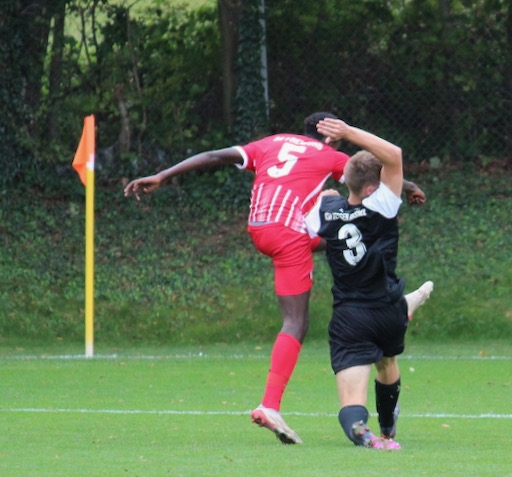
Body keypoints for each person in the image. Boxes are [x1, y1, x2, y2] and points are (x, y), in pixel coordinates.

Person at [123, 113, 425, 445]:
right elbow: (371, 174)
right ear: (330, 137)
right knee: (297, 320)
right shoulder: (330, 155)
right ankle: (270, 405)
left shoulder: (270, 143)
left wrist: (163, 175)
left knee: (341, 237)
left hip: (260, 227)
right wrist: (409, 187)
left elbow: (212, 156)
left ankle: (395, 303)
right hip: (290, 232)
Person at [305, 117, 432, 450]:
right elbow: (394, 155)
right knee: (387, 360)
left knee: (351, 405)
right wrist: (348, 132)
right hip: (388, 311)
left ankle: (363, 432)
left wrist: (326, 197)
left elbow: (312, 221)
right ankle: (388, 426)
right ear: (374, 189)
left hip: (351, 318)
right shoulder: (381, 207)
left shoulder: (325, 209)